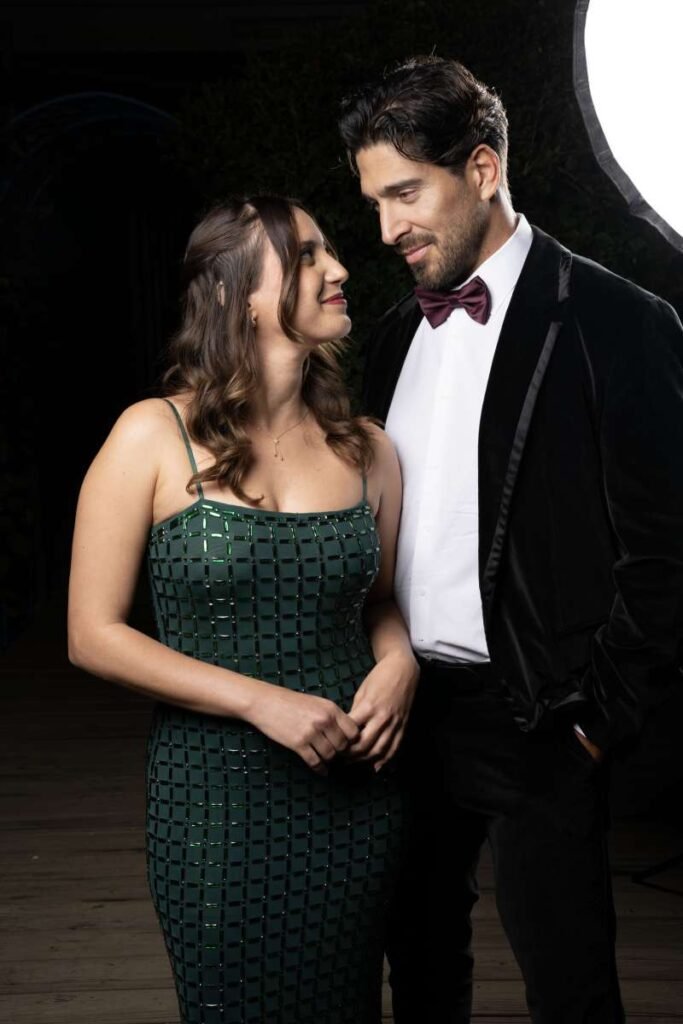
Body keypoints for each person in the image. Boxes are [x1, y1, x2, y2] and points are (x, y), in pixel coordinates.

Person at [338, 55, 683, 1023]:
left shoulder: (617, 321)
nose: (386, 229)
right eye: (373, 203)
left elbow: (666, 551)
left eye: (405, 193)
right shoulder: (390, 336)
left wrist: (594, 719)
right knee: (419, 968)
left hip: (540, 714)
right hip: (404, 707)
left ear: (482, 169)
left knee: (569, 987)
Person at [67, 195, 419, 1024]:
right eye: (305, 255)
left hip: (355, 792)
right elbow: (92, 635)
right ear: (237, 294)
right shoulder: (151, 434)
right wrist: (262, 702)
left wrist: (400, 659)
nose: (338, 269)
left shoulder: (368, 448)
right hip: (213, 799)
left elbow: (378, 601)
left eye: (329, 250)